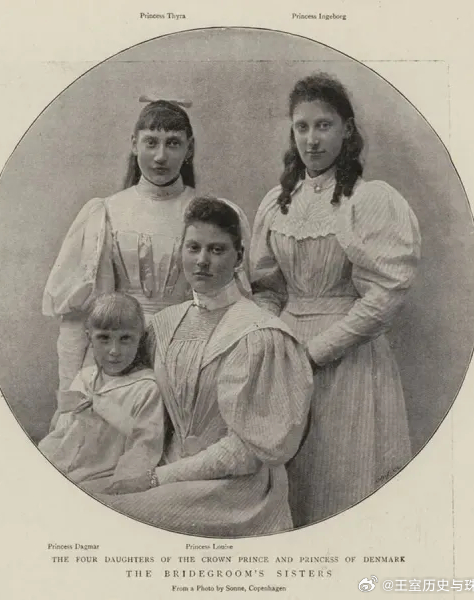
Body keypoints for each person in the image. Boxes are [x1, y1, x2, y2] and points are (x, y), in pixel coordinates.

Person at [249, 72, 421, 526]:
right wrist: (276, 342)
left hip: (350, 360)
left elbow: (385, 295)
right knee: (289, 492)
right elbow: (266, 288)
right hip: (287, 361)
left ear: (347, 130)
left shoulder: (368, 201)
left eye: (323, 125)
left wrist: (319, 349)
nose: (312, 139)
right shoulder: (277, 204)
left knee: (342, 485)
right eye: (302, 127)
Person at [92, 197, 313, 537]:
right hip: (166, 473)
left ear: (238, 257)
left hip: (236, 490)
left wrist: (155, 479)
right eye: (193, 247)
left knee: (109, 516)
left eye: (217, 250)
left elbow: (249, 452)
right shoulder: (164, 325)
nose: (202, 261)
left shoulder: (261, 334)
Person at [42, 98, 198, 395]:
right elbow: (76, 318)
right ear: (134, 144)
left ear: (188, 149)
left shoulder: (205, 212)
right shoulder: (106, 213)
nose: (161, 156)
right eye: (151, 142)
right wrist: (69, 390)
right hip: (115, 360)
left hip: (184, 358)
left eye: (173, 143)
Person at [38, 292, 164, 489]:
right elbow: (62, 431)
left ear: (140, 339)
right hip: (62, 467)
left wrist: (122, 484)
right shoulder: (84, 377)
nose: (114, 350)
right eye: (104, 338)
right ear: (89, 338)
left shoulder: (146, 388)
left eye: (125, 339)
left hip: (103, 477)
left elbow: (144, 448)